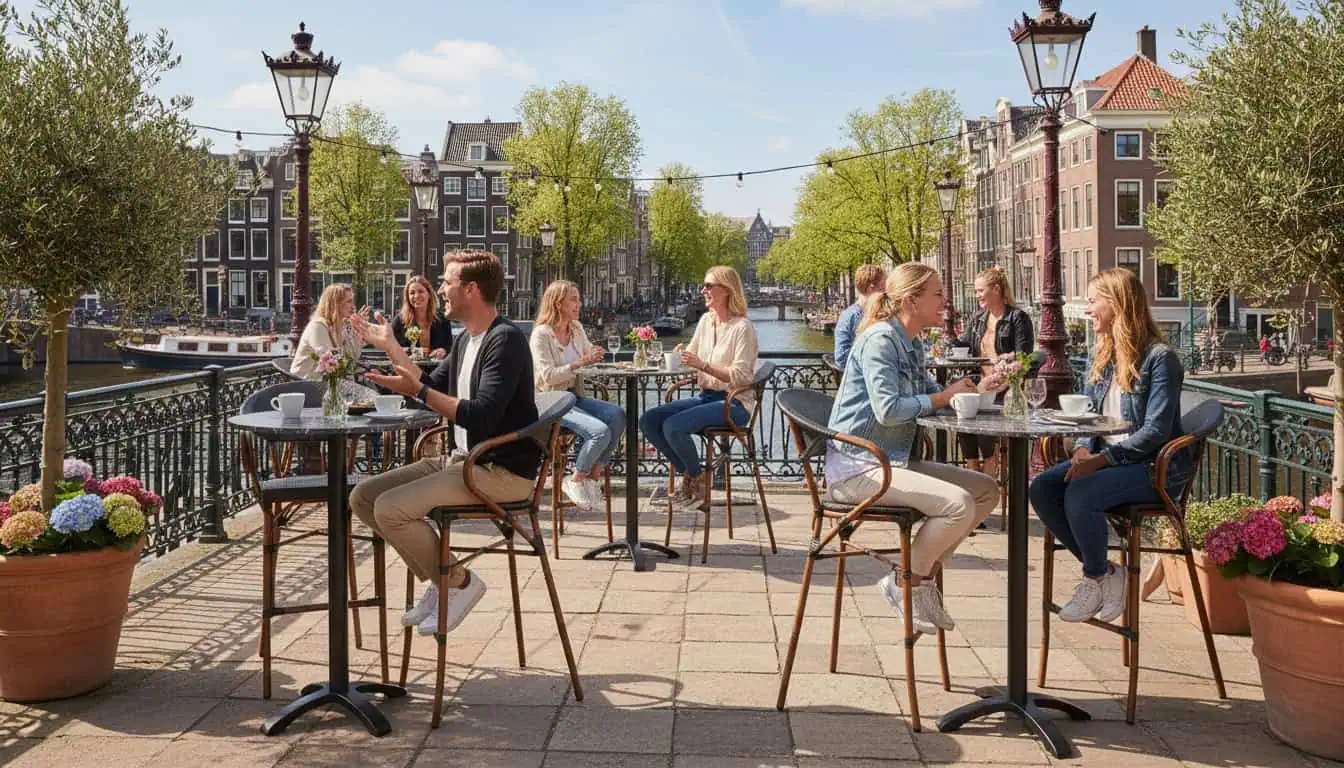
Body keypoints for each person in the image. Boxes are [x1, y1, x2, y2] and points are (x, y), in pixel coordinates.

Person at [347, 250, 540, 636]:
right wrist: (391, 347)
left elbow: (480, 415)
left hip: (500, 471)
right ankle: (444, 579)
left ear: (471, 290)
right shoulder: (466, 340)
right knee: (363, 498)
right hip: (464, 461)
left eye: (447, 282)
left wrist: (417, 390)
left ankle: (459, 584)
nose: (440, 290)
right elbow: (430, 384)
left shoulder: (505, 341)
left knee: (390, 509)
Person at [825, 262, 1001, 635]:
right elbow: (888, 410)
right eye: (938, 294)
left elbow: (932, 397)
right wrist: (942, 397)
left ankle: (922, 578)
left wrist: (979, 390)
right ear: (911, 300)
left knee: (986, 491)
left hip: (895, 460)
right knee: (958, 504)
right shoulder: (881, 341)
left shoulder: (912, 343)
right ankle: (905, 583)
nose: (945, 301)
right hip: (858, 467)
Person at [1028, 267, 1191, 624]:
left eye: (1093, 301)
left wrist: (1101, 460)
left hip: (1151, 469)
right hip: (1109, 460)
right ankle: (1106, 573)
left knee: (1080, 493)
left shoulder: (1160, 359)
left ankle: (1094, 578)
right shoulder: (1103, 354)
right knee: (1042, 488)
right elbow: (1089, 416)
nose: (1088, 310)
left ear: (1117, 303)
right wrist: (1082, 448)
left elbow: (1156, 432)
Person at [640, 265, 759, 512]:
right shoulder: (706, 321)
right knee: (649, 421)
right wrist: (680, 354)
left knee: (674, 426)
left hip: (735, 403)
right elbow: (691, 355)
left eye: (708, 286)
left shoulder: (742, 328)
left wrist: (703, 365)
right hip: (707, 397)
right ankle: (693, 476)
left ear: (726, 290)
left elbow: (742, 377)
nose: (703, 290)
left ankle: (696, 483)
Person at [530, 280, 625, 511]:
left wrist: (594, 354)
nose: (579, 304)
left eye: (578, 299)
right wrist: (580, 363)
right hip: (551, 401)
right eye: (573, 299)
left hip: (574, 396)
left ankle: (592, 478)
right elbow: (546, 377)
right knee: (599, 431)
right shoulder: (541, 335)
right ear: (557, 303)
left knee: (617, 415)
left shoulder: (576, 328)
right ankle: (575, 479)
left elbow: (586, 354)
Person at [955, 266, 1035, 479]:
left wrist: (1005, 370)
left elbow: (1024, 357)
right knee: (964, 419)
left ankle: (990, 474)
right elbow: (964, 347)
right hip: (981, 385)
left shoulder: (1018, 318)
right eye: (976, 291)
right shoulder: (978, 318)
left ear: (997, 289)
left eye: (981, 290)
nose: (977, 295)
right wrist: (949, 337)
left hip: (1006, 388)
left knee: (985, 428)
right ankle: (973, 471)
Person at [290, 284, 365, 378]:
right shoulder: (318, 326)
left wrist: (358, 330)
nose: (353, 306)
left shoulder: (341, 326)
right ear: (335, 304)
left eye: (352, 301)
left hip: (327, 382)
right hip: (304, 383)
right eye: (349, 301)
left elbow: (353, 357)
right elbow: (332, 361)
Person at [834, 263, 887, 370]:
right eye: (883, 286)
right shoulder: (853, 316)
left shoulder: (851, 314)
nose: (886, 291)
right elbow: (841, 358)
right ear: (871, 288)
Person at [391, 275, 453, 359]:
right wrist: (406, 351)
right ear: (408, 297)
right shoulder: (399, 321)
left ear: (429, 294)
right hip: (409, 366)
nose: (416, 296)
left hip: (437, 366)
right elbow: (392, 350)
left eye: (421, 291)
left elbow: (450, 347)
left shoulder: (442, 320)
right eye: (412, 293)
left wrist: (444, 351)